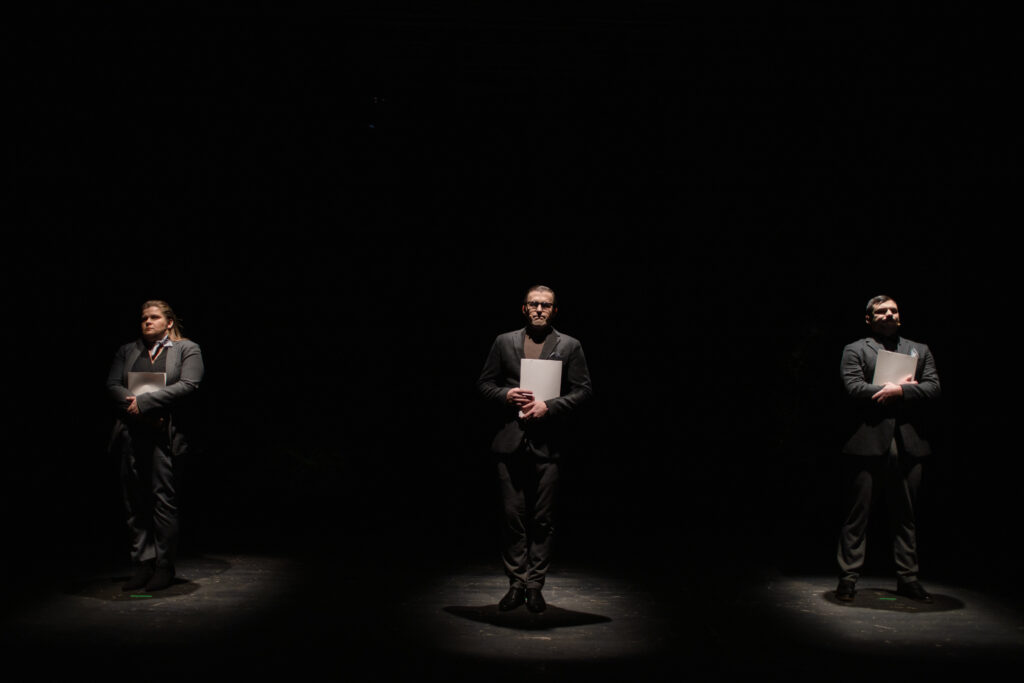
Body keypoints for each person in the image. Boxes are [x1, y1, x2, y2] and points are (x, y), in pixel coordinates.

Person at [477, 285, 592, 613]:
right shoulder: (504, 341)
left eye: (546, 305)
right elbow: (484, 384)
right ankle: (516, 583)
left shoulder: (569, 345)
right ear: (524, 308)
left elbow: (584, 390)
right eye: (534, 304)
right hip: (509, 441)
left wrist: (549, 407)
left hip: (549, 445)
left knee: (543, 518)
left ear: (554, 310)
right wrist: (505, 395)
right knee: (511, 516)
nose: (539, 309)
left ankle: (534, 585)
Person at [835, 295, 940, 602]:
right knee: (858, 515)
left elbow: (933, 387)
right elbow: (854, 387)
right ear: (870, 319)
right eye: (882, 311)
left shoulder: (919, 349)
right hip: (868, 441)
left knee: (906, 515)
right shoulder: (856, 349)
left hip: (909, 443)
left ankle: (908, 578)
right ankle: (848, 578)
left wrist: (901, 391)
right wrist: (891, 390)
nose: (890, 314)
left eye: (894, 310)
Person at [106, 300, 204, 592]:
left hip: (164, 438)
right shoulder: (128, 350)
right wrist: (136, 407)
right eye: (143, 318)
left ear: (169, 322)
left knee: (163, 502)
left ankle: (163, 566)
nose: (147, 322)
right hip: (131, 435)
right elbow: (112, 385)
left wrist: (145, 402)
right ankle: (142, 564)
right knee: (134, 503)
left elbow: (189, 384)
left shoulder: (187, 349)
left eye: (154, 317)